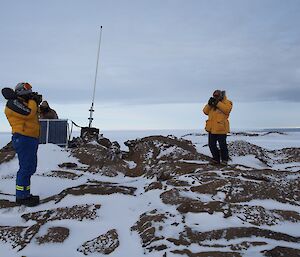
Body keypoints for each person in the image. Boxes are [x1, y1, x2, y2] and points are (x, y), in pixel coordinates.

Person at [4, 82, 42, 206]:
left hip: (30, 138)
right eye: (27, 90)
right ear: (21, 91)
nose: (30, 92)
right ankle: (21, 197)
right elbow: (29, 113)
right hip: (23, 138)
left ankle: (26, 194)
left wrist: (35, 102)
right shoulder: (12, 103)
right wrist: (33, 101)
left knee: (30, 167)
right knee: (25, 168)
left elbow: (34, 114)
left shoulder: (22, 103)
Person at [203, 90, 233, 165]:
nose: (215, 97)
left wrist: (217, 103)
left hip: (221, 128)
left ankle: (224, 160)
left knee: (222, 145)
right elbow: (205, 112)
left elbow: (227, 110)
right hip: (211, 128)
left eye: (217, 96)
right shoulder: (212, 103)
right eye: (214, 95)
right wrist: (209, 104)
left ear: (221, 95)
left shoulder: (227, 102)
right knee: (211, 145)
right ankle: (216, 159)